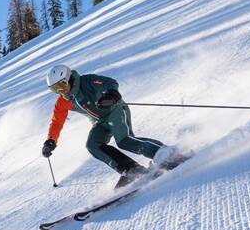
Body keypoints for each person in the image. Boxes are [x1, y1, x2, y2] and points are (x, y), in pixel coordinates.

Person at [41, 64, 181, 188]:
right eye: (55, 89)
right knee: (93, 145)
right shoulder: (63, 101)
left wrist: (111, 95)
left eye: (61, 85)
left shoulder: (87, 81)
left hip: (115, 109)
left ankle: (164, 153)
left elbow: (109, 82)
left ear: (68, 78)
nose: (60, 90)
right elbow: (56, 122)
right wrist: (50, 140)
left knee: (125, 140)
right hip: (100, 121)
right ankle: (132, 170)